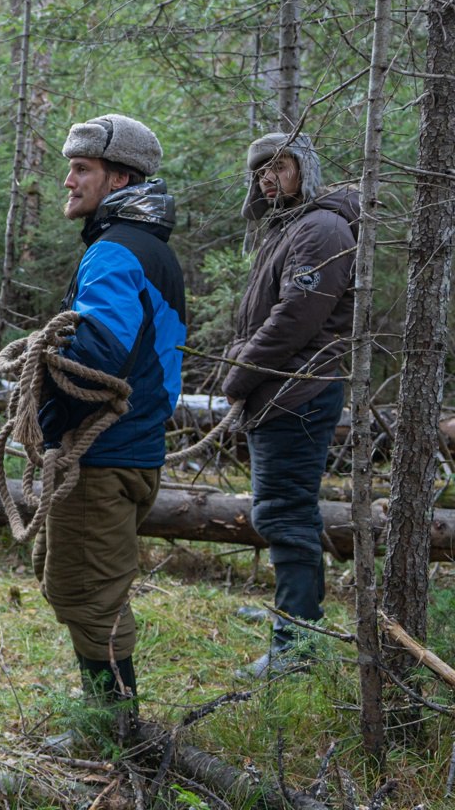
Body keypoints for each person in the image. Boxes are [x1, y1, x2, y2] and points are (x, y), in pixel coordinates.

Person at [33, 114, 186, 724]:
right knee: (90, 587)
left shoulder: (114, 251)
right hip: (134, 449)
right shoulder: (151, 249)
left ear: (119, 178)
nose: (68, 181)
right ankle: (112, 721)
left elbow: (94, 362)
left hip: (103, 457)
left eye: (81, 169)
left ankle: (114, 730)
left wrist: (49, 410)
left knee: (89, 595)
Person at [223, 133, 357, 679]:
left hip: (296, 391)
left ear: (305, 169)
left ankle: (296, 646)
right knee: (283, 510)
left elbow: (294, 319)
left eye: (279, 166)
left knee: (284, 513)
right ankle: (294, 613)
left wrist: (239, 374)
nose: (267, 179)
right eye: (261, 172)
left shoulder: (322, 228)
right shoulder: (290, 226)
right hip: (280, 388)